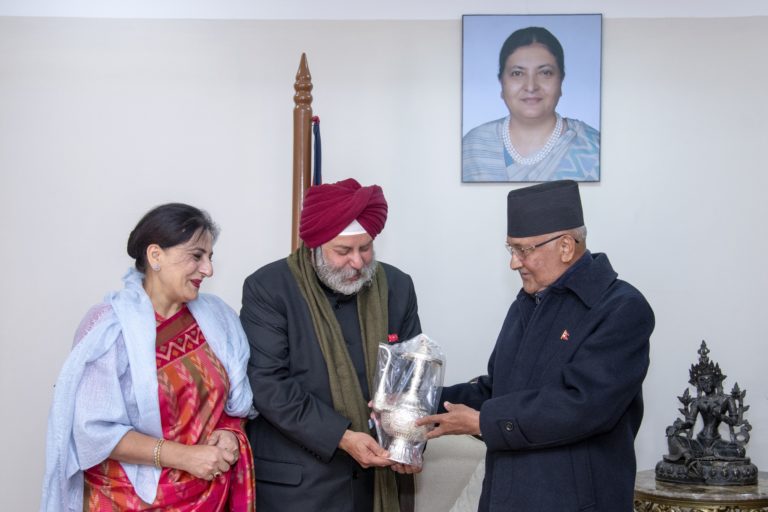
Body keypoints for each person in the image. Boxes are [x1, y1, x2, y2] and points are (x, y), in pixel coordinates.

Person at [417, 180, 654, 511]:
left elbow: (581, 405)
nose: (514, 263)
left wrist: (484, 422)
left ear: (566, 246)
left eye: (523, 250)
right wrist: (422, 401)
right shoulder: (528, 303)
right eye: (511, 249)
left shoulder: (621, 308)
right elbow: (498, 391)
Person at [41, 203, 256, 511]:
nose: (208, 269)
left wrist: (230, 432)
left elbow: (236, 402)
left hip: (209, 492)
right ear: (155, 255)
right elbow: (94, 431)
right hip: (124, 499)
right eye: (197, 256)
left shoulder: (218, 320)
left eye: (210, 257)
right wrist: (184, 457)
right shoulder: (110, 329)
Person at [240, 178, 422, 512]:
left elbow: (412, 376)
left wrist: (408, 440)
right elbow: (268, 383)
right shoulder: (269, 288)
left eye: (365, 248)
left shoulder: (397, 286)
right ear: (315, 246)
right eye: (343, 251)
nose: (358, 262)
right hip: (301, 489)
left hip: (377, 482)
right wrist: (342, 437)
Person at [462, 26, 600, 182]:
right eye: (517, 73)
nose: (531, 86)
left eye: (545, 73)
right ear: (502, 83)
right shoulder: (473, 146)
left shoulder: (594, 149)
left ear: (561, 81)